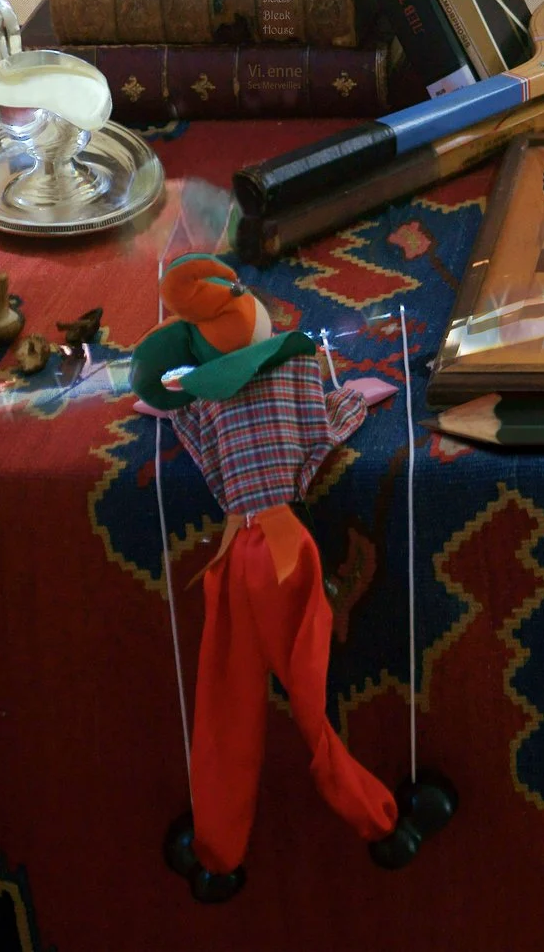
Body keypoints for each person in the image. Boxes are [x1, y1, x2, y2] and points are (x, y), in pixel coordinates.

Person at [132, 252, 455, 903]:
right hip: (281, 552)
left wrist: (171, 405)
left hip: (235, 554)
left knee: (225, 696)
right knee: (308, 703)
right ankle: (385, 824)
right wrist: (353, 402)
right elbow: (317, 439)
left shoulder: (205, 405)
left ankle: (217, 853)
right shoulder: (295, 371)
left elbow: (192, 437)